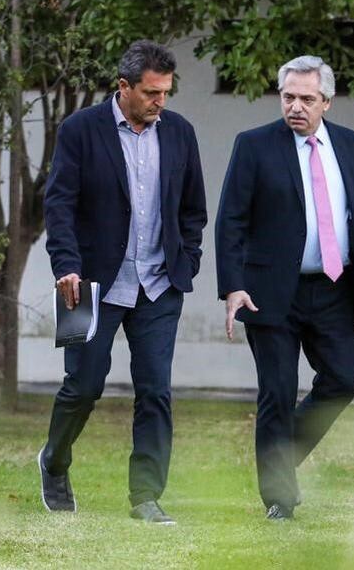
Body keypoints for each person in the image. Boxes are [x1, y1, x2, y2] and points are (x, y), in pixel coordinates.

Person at [38, 40, 207, 524]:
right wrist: (65, 266)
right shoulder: (79, 130)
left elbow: (193, 208)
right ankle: (54, 461)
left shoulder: (180, 133)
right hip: (87, 284)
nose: (160, 101)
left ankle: (146, 496)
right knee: (83, 387)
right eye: (151, 92)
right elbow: (59, 205)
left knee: (155, 391)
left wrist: (187, 260)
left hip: (159, 285)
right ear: (124, 87)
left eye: (166, 92)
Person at [215, 55, 354, 520]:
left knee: (344, 379)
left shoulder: (353, 146)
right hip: (268, 291)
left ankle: (278, 456)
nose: (296, 106)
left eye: (307, 99)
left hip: (335, 288)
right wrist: (232, 286)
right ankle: (279, 498)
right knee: (277, 391)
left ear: (326, 102)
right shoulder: (254, 145)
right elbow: (231, 220)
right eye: (288, 97)